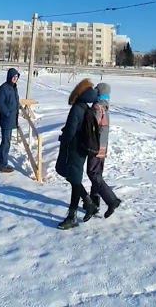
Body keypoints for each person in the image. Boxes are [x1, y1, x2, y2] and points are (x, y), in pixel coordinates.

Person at [54, 77, 99, 229]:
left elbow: (71, 131)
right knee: (73, 178)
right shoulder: (86, 108)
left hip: (73, 149)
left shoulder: (77, 108)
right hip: (81, 149)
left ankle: (72, 216)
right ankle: (88, 203)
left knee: (73, 179)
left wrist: (63, 139)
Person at [84, 82, 122, 220]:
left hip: (96, 147)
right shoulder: (106, 107)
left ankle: (112, 200)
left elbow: (91, 127)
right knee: (97, 174)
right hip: (103, 147)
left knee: (93, 173)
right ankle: (94, 203)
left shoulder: (97, 108)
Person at [0, 67, 20, 172]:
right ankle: (3, 165)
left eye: (16, 77)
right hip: (6, 119)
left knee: (5, 142)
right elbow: (0, 103)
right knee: (6, 143)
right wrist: (8, 113)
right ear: (9, 77)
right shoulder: (4, 88)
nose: (15, 78)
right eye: (13, 76)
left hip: (12, 119)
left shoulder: (14, 88)